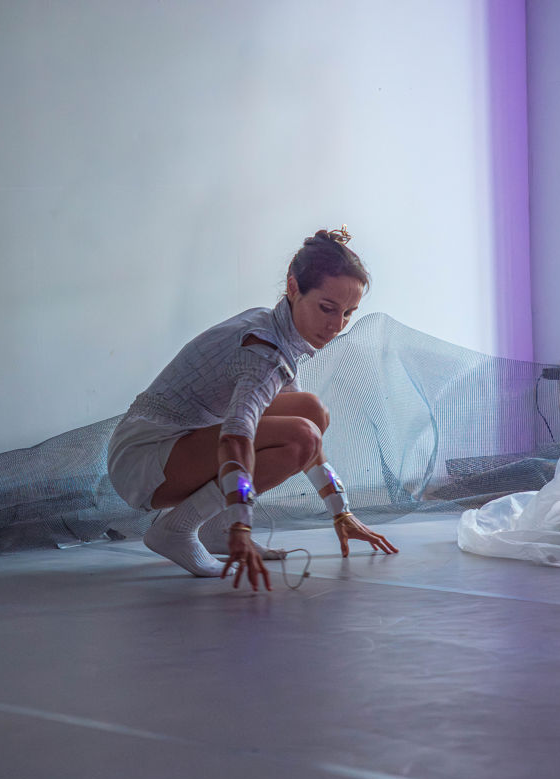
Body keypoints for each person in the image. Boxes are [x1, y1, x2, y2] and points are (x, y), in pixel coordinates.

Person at [107, 226, 398, 591]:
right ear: (293, 288)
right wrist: (244, 523)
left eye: (347, 314)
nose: (335, 326)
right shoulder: (262, 352)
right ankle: (176, 529)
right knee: (302, 435)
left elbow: (305, 432)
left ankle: (218, 528)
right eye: (327, 308)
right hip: (145, 462)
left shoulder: (275, 327)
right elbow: (235, 439)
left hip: (175, 444)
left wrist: (342, 512)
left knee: (311, 412)